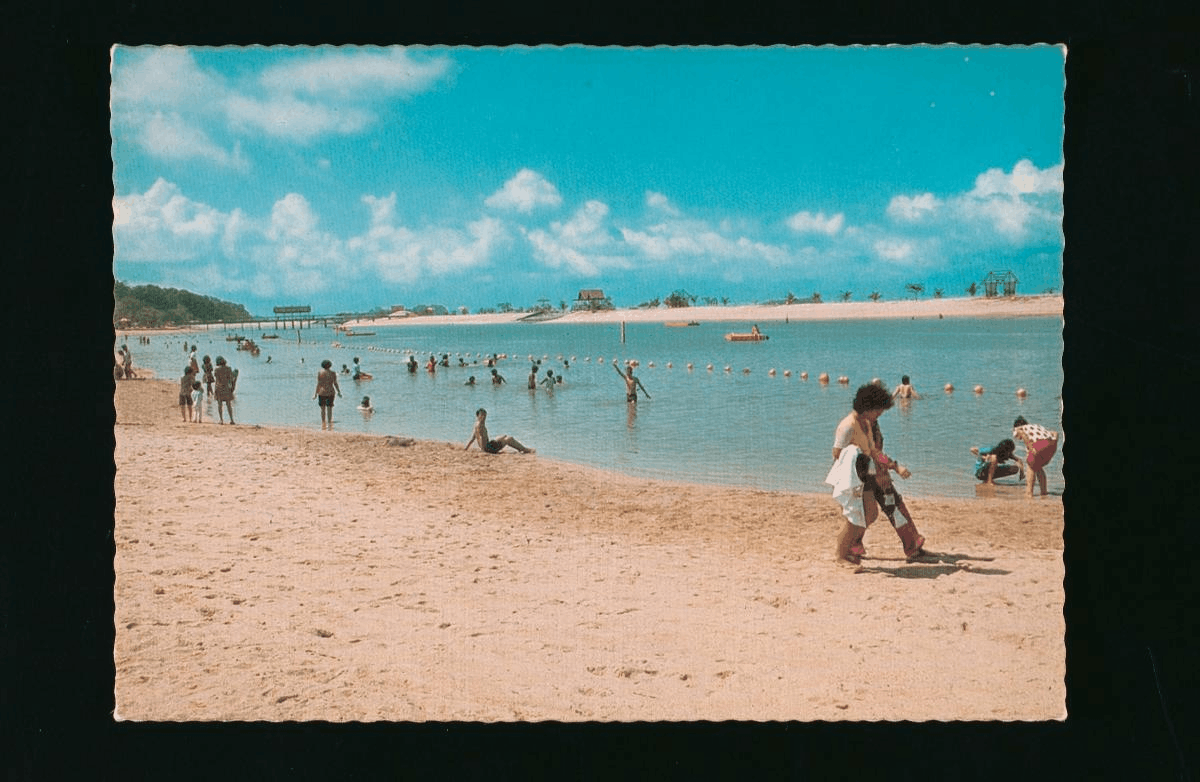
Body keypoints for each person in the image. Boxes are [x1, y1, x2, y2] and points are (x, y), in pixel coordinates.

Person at [828, 383, 927, 565]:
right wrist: (857, 457)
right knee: (855, 519)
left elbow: (873, 451)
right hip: (853, 479)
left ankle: (851, 548)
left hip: (869, 474)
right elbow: (837, 455)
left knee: (871, 514)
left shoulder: (866, 423)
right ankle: (843, 554)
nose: (880, 414)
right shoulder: (847, 426)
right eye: (878, 410)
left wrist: (894, 467)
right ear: (867, 407)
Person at [1012, 416, 1059, 497]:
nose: (1018, 439)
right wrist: (1054, 443)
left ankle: (1029, 492)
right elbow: (1055, 433)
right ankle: (1044, 492)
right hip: (1052, 443)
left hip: (1040, 444)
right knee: (1037, 466)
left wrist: (1030, 447)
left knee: (1030, 464)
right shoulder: (1036, 427)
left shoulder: (1020, 428)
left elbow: (1022, 434)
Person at [465, 408, 534, 454]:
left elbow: (473, 438)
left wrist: (466, 448)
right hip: (489, 448)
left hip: (489, 445)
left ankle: (520, 448)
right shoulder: (480, 425)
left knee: (504, 436)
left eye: (485, 415)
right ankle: (524, 450)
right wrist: (484, 450)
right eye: (482, 415)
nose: (484, 417)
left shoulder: (476, 424)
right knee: (509, 439)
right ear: (478, 416)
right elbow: (480, 438)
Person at [313, 359, 342, 428]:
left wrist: (315, 393)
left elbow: (319, 384)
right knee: (330, 408)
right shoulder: (333, 373)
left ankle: (323, 422)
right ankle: (329, 422)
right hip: (330, 392)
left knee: (322, 409)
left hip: (322, 392)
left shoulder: (320, 373)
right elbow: (335, 383)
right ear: (330, 365)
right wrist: (339, 391)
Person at [213, 356, 237, 424]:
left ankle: (221, 420)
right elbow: (231, 378)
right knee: (228, 405)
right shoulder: (228, 369)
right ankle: (231, 419)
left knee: (220, 405)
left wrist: (215, 390)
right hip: (226, 388)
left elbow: (217, 380)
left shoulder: (217, 370)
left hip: (219, 387)